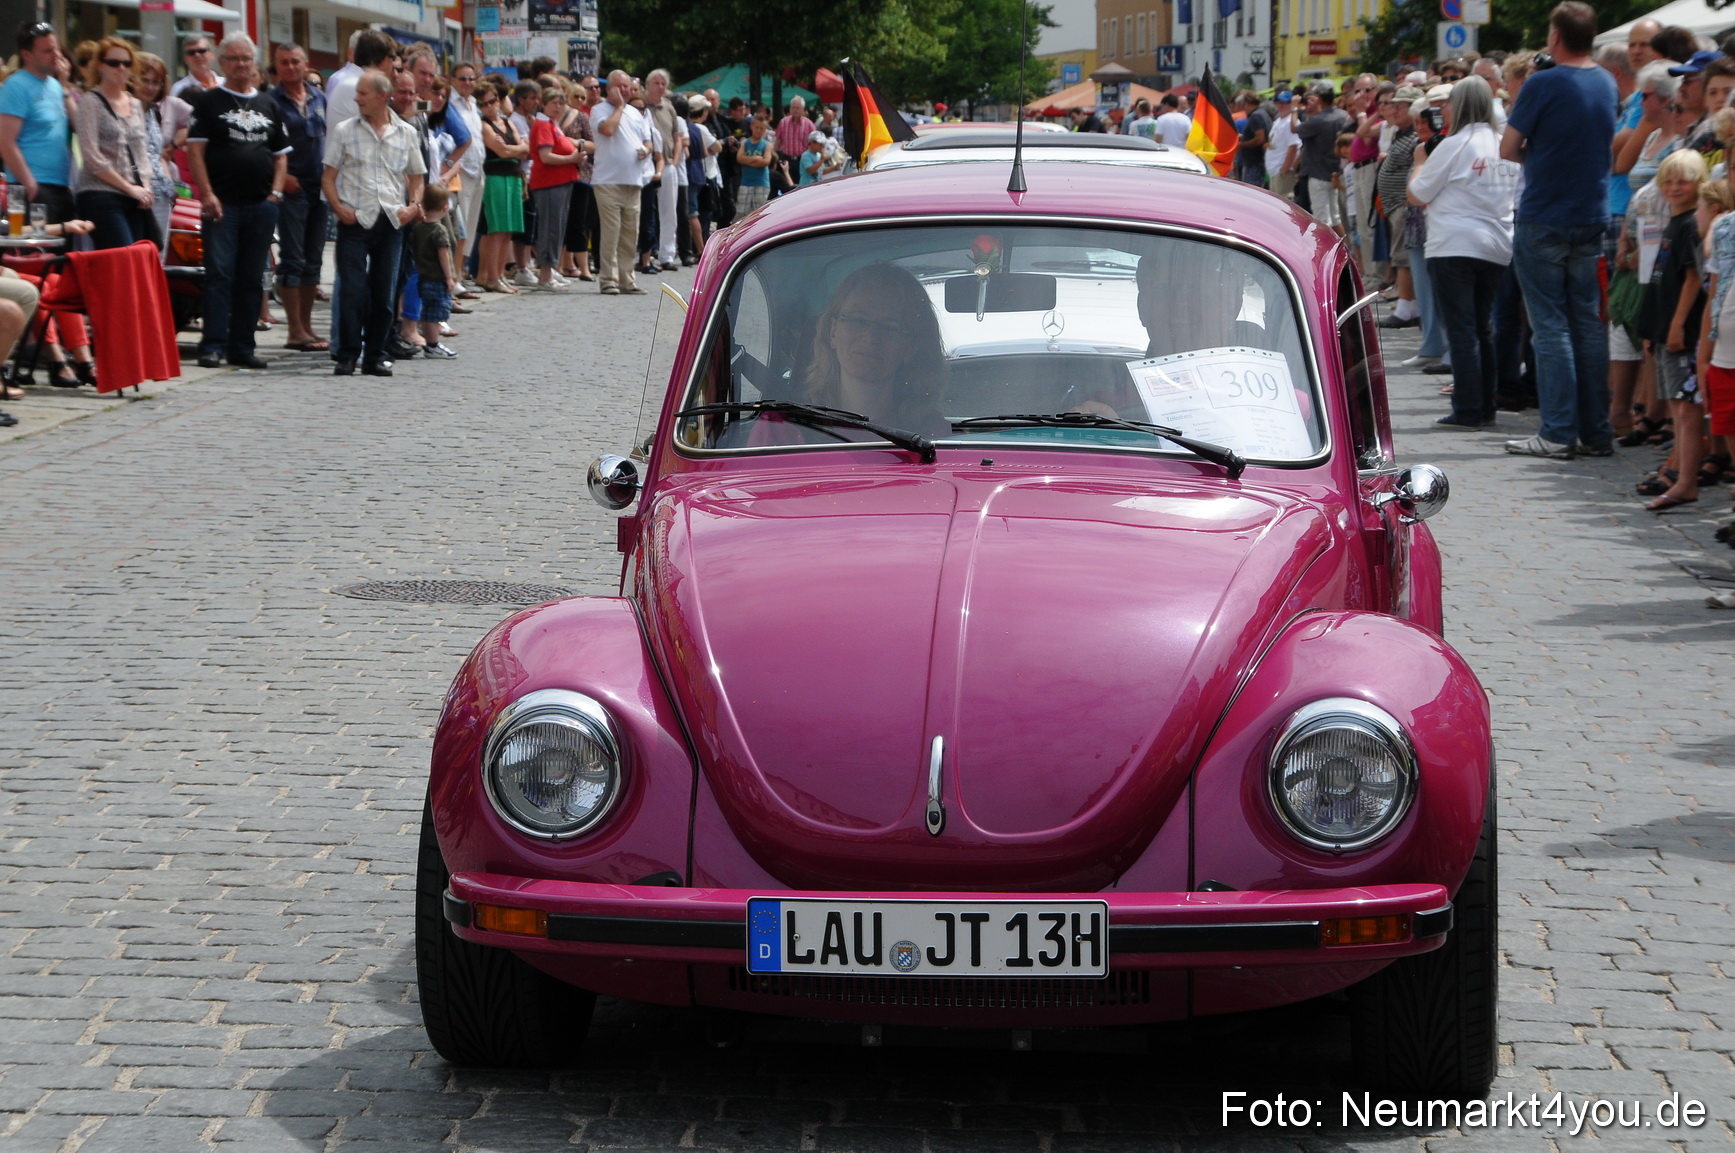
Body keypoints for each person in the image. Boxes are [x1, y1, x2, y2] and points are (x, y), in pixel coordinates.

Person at [1501, 1, 1619, 459]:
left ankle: (1557, 431)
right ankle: (1596, 431)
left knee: (1549, 326)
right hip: (1592, 212)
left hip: (1545, 212)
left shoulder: (1543, 82)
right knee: (1586, 325)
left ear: (1555, 37)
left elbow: (1509, 147)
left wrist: (1544, 154)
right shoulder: (1607, 81)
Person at [1407, 77, 1519, 431]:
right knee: (1482, 327)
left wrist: (1420, 161)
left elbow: (1418, 193)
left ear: (1461, 105)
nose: (1445, 111)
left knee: (1462, 329)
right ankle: (1485, 403)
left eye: (1449, 103)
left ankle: (1469, 407)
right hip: (1497, 243)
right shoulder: (1504, 144)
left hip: (1455, 243)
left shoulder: (1454, 145)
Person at [186, 33, 290, 371]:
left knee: (251, 279)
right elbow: (196, 151)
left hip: (261, 205)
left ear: (255, 63)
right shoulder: (209, 102)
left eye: (247, 58)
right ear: (222, 62)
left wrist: (275, 194)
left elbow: (280, 156)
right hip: (223, 205)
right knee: (219, 277)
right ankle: (213, 345)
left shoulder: (269, 103)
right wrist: (207, 193)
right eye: (234, 59)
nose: (241, 64)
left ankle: (242, 346)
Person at [322, 69, 426, 376]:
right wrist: (338, 208)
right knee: (352, 290)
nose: (356, 99)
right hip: (355, 220)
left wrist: (414, 205)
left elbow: (417, 178)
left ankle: (376, 355)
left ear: (382, 96)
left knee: (384, 292)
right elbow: (328, 177)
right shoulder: (344, 130)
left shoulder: (406, 132)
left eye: (362, 94)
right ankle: (347, 354)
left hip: (391, 221)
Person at [1636, 150, 1710, 507]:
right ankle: (1677, 465)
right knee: (1674, 403)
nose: (1675, 187)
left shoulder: (1691, 225)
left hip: (1681, 330)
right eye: (1668, 180)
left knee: (1684, 405)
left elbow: (1692, 279)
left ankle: (1683, 473)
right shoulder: (1673, 222)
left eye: (1684, 180)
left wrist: (1678, 324)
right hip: (1663, 327)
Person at [802, 263, 947, 437]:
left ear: (911, 347)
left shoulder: (933, 437)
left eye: (889, 327)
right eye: (858, 320)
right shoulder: (782, 430)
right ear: (833, 332)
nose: (870, 337)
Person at [268, 42, 327, 352]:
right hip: (291, 189)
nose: (290, 67)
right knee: (293, 259)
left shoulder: (320, 98)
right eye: (284, 62)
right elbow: (262, 146)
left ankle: (306, 326)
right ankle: (294, 330)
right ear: (276, 66)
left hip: (319, 189)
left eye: (295, 62)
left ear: (305, 64)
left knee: (313, 262)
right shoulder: (270, 101)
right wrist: (280, 177)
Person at [74, 37, 155, 249]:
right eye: (114, 63)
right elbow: (91, 156)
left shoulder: (136, 104)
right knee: (122, 256)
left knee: (136, 259)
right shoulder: (90, 102)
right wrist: (129, 188)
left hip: (134, 195)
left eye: (127, 63)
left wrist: (144, 187)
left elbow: (142, 152)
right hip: (100, 193)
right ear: (100, 66)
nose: (121, 68)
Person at [0, 22, 76, 226]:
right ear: (27, 55)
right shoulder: (16, 85)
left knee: (63, 254)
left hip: (60, 184)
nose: (56, 55)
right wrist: (30, 184)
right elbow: (5, 141)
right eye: (47, 50)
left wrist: (65, 85)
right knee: (37, 254)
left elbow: (79, 125)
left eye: (56, 48)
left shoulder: (55, 85)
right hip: (33, 185)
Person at [591, 69, 651, 295]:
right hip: (608, 181)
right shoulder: (599, 110)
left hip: (633, 181)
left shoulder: (636, 113)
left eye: (627, 86)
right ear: (610, 89)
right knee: (611, 232)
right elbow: (607, 130)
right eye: (620, 86)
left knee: (630, 233)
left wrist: (646, 150)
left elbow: (647, 140)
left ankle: (627, 279)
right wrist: (618, 107)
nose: (625, 90)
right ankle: (608, 279)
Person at [476, 77, 526, 293]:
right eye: (483, 104)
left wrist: (513, 149)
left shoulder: (508, 123)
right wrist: (516, 149)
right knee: (496, 229)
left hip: (513, 175)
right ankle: (492, 277)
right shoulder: (484, 125)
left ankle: (500, 274)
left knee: (508, 230)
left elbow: (526, 149)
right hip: (496, 176)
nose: (489, 106)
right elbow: (504, 151)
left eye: (491, 101)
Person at [528, 84, 580, 291]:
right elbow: (545, 156)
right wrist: (572, 158)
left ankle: (551, 270)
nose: (558, 106)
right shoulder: (542, 125)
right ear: (544, 104)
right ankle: (545, 274)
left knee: (557, 227)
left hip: (562, 182)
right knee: (550, 227)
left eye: (561, 103)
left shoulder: (553, 124)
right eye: (553, 103)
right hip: (549, 183)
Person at [129, 52, 177, 250]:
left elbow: (158, 155)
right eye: (145, 80)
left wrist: (170, 185)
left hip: (161, 194)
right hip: (133, 193)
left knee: (157, 258)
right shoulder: (121, 107)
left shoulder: (153, 111)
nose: (150, 87)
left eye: (155, 82)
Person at [448, 62, 486, 288]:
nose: (468, 83)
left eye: (472, 79)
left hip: (478, 169)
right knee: (459, 227)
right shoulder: (450, 104)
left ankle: (461, 271)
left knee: (470, 227)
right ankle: (453, 275)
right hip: (460, 171)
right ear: (452, 79)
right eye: (463, 78)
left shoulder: (474, 104)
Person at [411, 183, 458, 359]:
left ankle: (431, 343)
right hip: (437, 278)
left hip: (422, 276)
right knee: (436, 312)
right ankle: (432, 345)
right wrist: (449, 278)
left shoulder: (418, 228)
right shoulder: (439, 230)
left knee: (427, 311)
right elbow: (443, 255)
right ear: (445, 207)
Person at [1297, 82, 1351, 234]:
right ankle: (1346, 252)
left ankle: (1328, 255)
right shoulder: (1343, 115)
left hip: (1318, 173)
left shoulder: (1318, 120)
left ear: (1319, 98)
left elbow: (1297, 129)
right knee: (1335, 218)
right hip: (1336, 172)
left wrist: (1296, 109)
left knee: (1322, 220)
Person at [644, 69, 683, 271]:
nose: (660, 86)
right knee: (645, 212)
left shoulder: (669, 107)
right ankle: (645, 253)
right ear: (648, 84)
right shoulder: (642, 106)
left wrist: (675, 161)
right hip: (646, 164)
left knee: (669, 212)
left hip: (668, 164)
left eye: (663, 83)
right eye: (656, 82)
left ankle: (667, 255)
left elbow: (677, 137)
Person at [735, 112, 775, 219]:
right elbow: (739, 158)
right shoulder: (745, 143)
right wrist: (756, 159)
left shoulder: (767, 145)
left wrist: (747, 160)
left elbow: (766, 161)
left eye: (762, 128)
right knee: (741, 212)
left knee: (758, 213)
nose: (759, 130)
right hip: (746, 182)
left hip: (761, 182)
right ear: (751, 126)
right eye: (757, 127)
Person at [1266, 90, 1300, 200]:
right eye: (1278, 102)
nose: (1281, 105)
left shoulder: (1291, 122)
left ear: (1291, 104)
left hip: (1282, 171)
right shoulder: (1278, 120)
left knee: (1283, 203)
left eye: (1284, 102)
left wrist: (1284, 170)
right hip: (1274, 170)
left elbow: (1294, 147)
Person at [1235, 91, 1269, 186]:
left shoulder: (1255, 116)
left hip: (1254, 162)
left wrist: (1241, 144)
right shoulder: (1262, 113)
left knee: (1251, 189)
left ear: (1247, 102)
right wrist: (1245, 136)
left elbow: (1260, 138)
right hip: (1258, 161)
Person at [169, 35, 218, 101]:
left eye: (202, 51)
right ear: (185, 59)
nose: (197, 55)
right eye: (191, 52)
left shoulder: (227, 84)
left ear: (212, 55)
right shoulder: (179, 89)